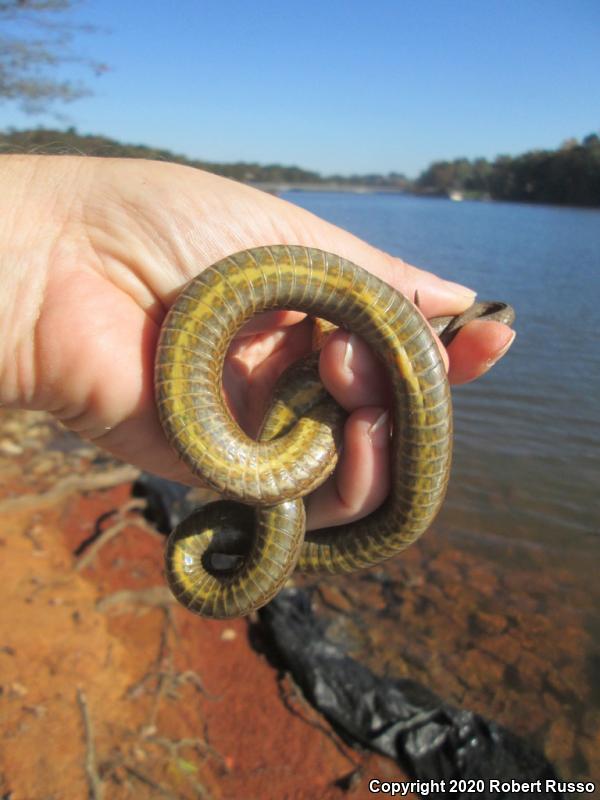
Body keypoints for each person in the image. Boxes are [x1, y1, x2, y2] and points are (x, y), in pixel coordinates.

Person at [0, 155, 515, 531]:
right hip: (241, 347)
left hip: (241, 371)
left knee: (343, 431)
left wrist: (47, 266)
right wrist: (55, 248)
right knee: (346, 419)